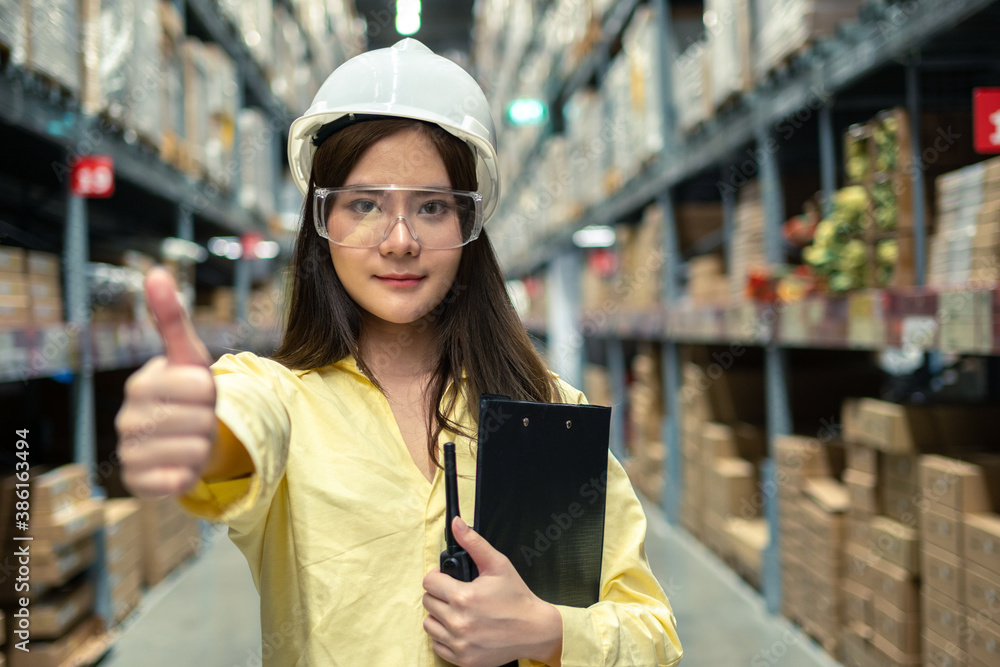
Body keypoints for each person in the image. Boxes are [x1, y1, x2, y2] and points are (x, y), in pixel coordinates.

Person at [115, 38, 683, 667]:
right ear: (321, 223)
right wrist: (200, 430)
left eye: (433, 207)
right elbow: (239, 430)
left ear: (470, 229)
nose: (400, 241)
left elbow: (650, 633)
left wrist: (549, 633)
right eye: (364, 205)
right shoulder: (278, 395)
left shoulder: (547, 413)